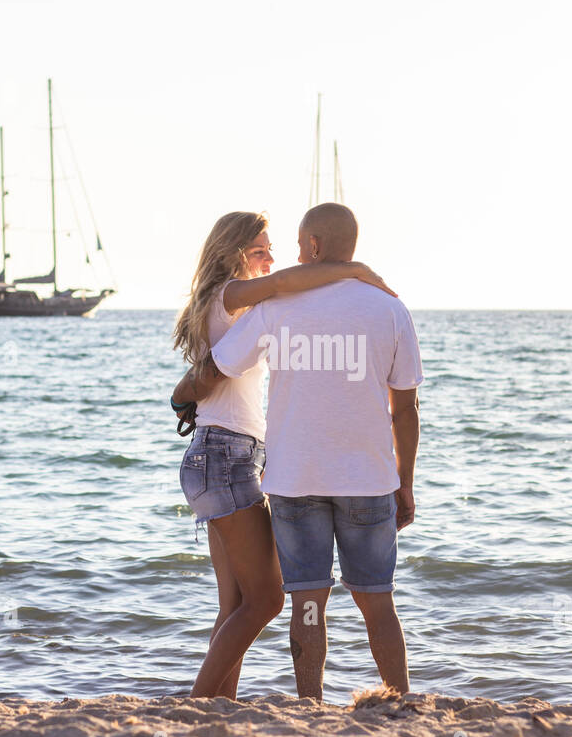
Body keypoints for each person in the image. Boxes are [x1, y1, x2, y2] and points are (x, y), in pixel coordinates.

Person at [172, 203, 422, 701]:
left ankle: (307, 705)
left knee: (305, 603)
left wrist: (180, 397)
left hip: (291, 481)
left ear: (311, 246)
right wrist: (405, 482)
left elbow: (216, 367)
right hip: (367, 481)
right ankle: (399, 701)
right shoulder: (390, 308)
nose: (277, 259)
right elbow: (407, 408)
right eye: (264, 251)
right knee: (378, 603)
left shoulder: (272, 309)